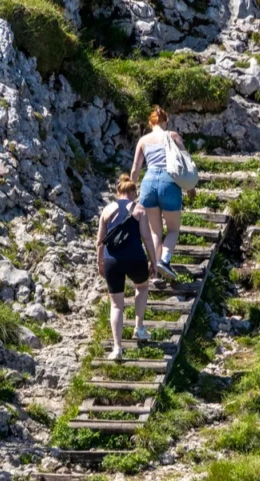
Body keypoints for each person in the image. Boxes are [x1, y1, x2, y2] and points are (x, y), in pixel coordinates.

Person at [97, 174, 159, 360]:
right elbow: (147, 238)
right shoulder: (139, 209)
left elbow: (100, 241)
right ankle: (139, 328)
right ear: (132, 192)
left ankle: (117, 348)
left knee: (116, 304)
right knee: (141, 286)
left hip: (112, 260)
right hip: (134, 258)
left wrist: (99, 262)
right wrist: (153, 261)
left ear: (118, 192)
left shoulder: (107, 210)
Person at [130, 106, 194, 280]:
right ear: (165, 121)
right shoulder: (172, 136)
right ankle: (164, 261)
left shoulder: (143, 141)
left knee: (155, 232)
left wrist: (129, 193)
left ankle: (155, 270)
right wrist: (190, 186)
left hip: (148, 183)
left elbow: (136, 169)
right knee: (173, 230)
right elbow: (186, 162)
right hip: (168, 182)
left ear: (151, 123)